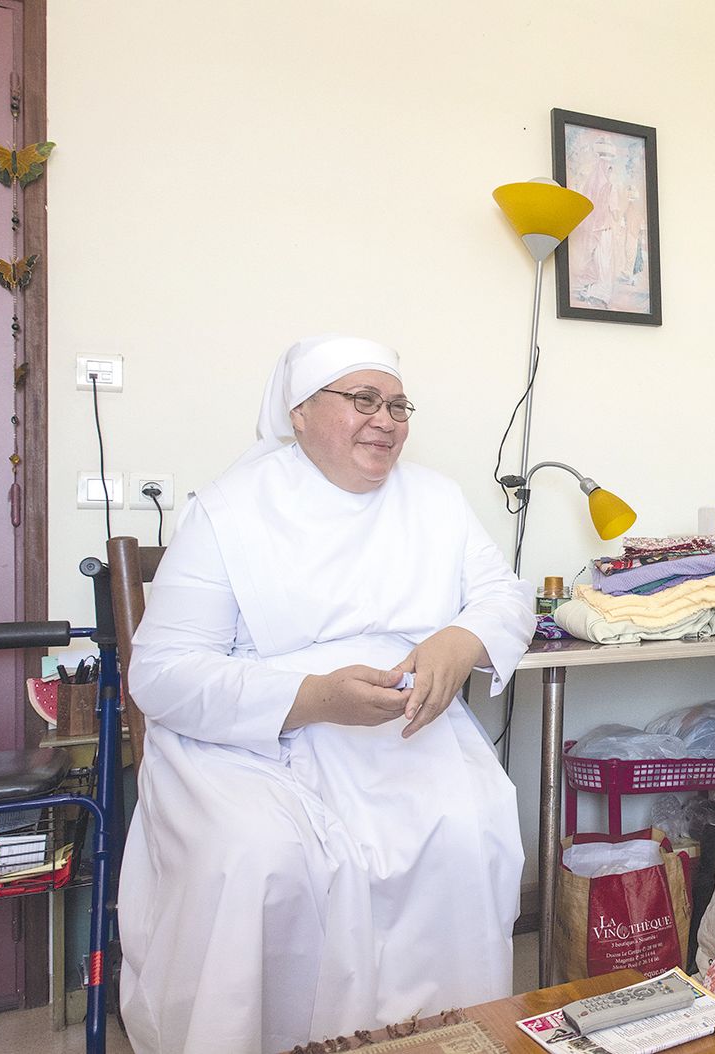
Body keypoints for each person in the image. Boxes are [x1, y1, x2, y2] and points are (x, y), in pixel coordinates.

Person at [118, 336, 536, 1053]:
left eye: (398, 404)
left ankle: (446, 1038)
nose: (386, 419)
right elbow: (162, 674)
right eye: (363, 400)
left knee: (472, 821)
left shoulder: (434, 498)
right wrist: (312, 697)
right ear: (301, 413)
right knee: (262, 854)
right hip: (250, 734)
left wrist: (459, 642)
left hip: (398, 727)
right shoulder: (229, 510)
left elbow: (503, 596)